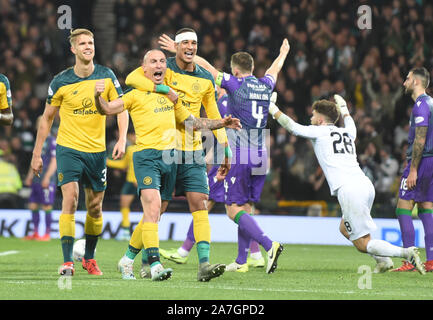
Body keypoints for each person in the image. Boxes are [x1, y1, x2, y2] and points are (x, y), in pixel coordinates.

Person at [94, 49, 241, 281]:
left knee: (171, 209)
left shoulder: (173, 97)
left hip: (170, 158)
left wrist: (220, 123)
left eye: (162, 61)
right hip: (145, 157)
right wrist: (97, 97)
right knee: (153, 209)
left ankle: (129, 259)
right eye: (153, 61)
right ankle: (154, 266)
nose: (159, 64)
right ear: (144, 68)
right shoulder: (135, 93)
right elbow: (108, 108)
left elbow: (193, 122)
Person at [157, 35, 290, 273]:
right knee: (245, 206)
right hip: (261, 153)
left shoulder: (235, 84)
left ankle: (269, 245)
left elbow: (208, 68)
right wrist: (283, 54)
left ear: (235, 71)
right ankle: (242, 261)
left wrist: (183, 52)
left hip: (241, 152)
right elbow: (274, 70)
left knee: (233, 210)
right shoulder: (266, 84)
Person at [269, 93, 426, 275]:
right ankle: (383, 262)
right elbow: (351, 123)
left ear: (320, 119)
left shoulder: (319, 132)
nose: (311, 118)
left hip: (349, 189)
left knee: (362, 244)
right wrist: (344, 109)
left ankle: (405, 253)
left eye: (313, 115)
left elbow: (293, 127)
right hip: (365, 185)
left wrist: (273, 109)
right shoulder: (346, 132)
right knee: (345, 227)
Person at [30, 28, 129, 277]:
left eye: (91, 42)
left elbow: (122, 108)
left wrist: (122, 138)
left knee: (95, 207)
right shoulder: (60, 81)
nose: (88, 46)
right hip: (68, 149)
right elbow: (46, 119)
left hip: (96, 152)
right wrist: (37, 153)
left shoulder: (106, 76)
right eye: (83, 43)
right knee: (71, 199)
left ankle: (89, 259)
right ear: (73, 49)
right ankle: (67, 262)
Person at [392, 67, 433, 272]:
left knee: (402, 207)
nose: (404, 82)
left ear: (416, 81)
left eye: (407, 78)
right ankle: (431, 259)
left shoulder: (421, 105)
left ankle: (409, 259)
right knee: (426, 208)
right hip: (431, 162)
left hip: (422, 161)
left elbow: (420, 138)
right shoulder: (431, 103)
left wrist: (414, 169)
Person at [24, 116, 57, 241]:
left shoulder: (52, 141)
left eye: (41, 123)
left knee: (46, 206)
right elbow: (34, 161)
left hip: (46, 180)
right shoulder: (39, 141)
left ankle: (47, 234)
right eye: (38, 123)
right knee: (33, 205)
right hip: (36, 179)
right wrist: (29, 176)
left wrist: (47, 177)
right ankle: (36, 232)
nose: (39, 125)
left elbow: (55, 161)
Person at [106, 131, 137, 241]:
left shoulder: (147, 149)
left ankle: (145, 231)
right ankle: (125, 231)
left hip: (142, 182)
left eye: (133, 135)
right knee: (124, 205)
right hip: (132, 182)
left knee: (148, 208)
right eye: (131, 136)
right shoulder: (130, 149)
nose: (132, 138)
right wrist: (107, 161)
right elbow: (123, 164)